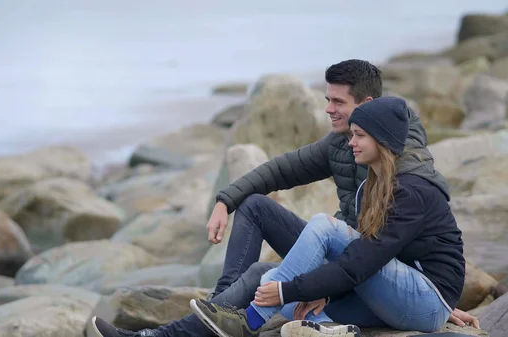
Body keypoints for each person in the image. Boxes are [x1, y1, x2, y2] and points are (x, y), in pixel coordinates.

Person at [88, 60, 479, 337]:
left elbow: (394, 249)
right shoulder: (346, 152)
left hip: (378, 271)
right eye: (327, 100)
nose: (328, 110)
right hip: (364, 270)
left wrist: (436, 298)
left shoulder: (406, 175)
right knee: (258, 250)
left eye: (337, 103)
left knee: (317, 234)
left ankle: (239, 316)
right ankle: (201, 320)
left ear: (369, 110)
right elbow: (280, 170)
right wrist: (226, 199)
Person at [189, 96, 466, 337]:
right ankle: (327, 329)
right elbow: (362, 264)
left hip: (427, 300)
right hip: (395, 296)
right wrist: (319, 290)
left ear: (381, 140)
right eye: (351, 135)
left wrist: (289, 290)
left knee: (322, 230)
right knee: (270, 281)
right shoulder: (370, 187)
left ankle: (249, 321)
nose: (351, 143)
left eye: (359, 135)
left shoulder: (412, 191)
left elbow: (363, 260)